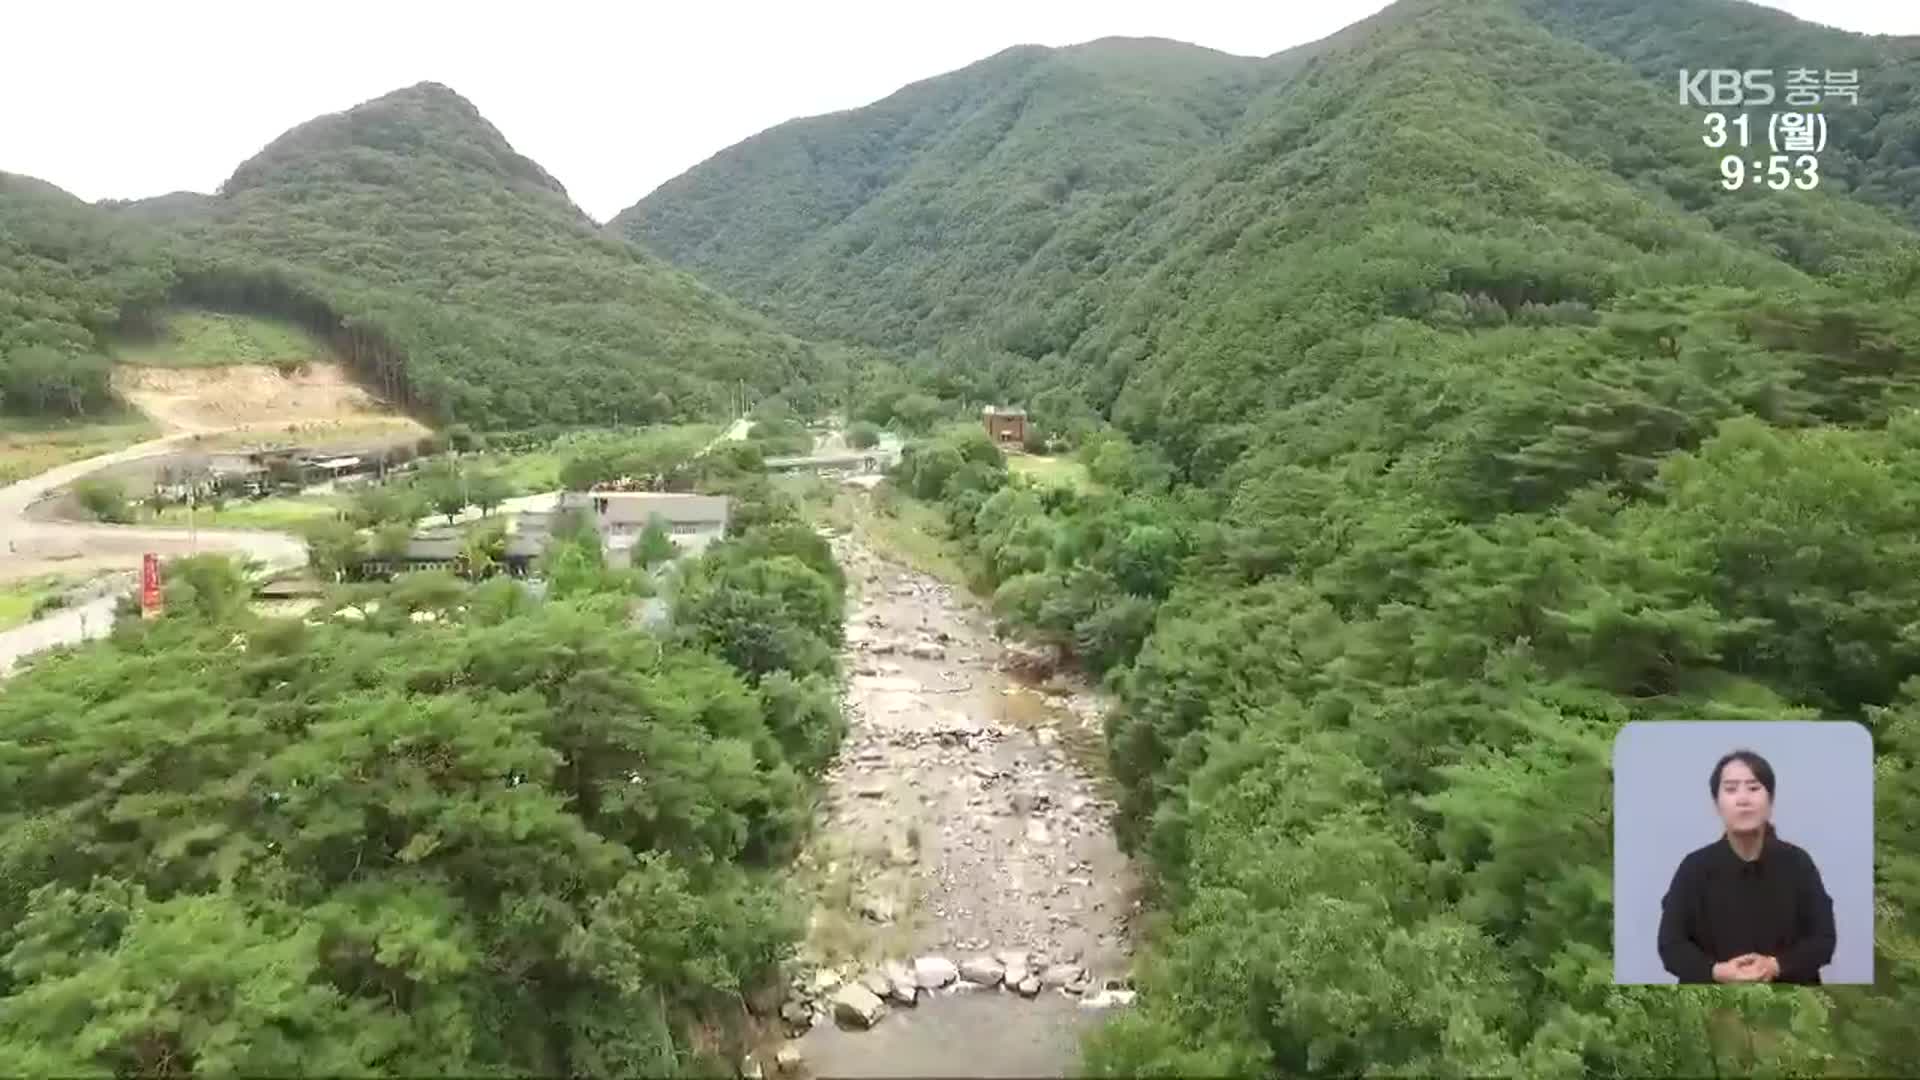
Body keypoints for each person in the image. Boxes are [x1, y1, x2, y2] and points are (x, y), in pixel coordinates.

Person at [1657, 749, 1836, 984]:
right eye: (1731, 789)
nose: (1743, 799)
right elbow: (1671, 946)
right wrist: (1718, 972)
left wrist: (1775, 966)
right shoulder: (1694, 868)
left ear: (1770, 800)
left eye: (1753, 788)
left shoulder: (1798, 863)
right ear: (1717, 803)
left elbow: (1823, 939)